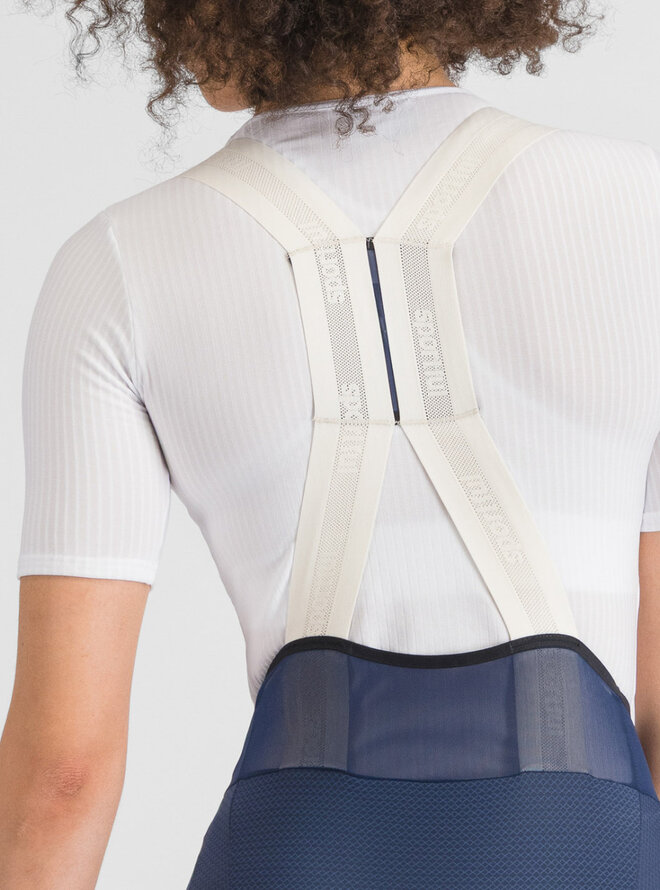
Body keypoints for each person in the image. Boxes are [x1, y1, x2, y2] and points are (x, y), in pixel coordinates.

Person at [2, 1, 660, 887]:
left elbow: (62, 778)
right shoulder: (641, 205)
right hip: (591, 852)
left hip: (295, 854)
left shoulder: (116, 263)